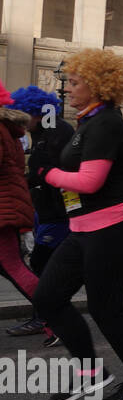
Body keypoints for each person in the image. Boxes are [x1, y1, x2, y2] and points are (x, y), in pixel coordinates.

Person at [34, 49, 123, 400]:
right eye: (69, 82)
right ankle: (92, 375)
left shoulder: (107, 123)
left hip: (118, 224)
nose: (68, 88)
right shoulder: (87, 123)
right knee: (48, 297)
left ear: (99, 85)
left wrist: (47, 174)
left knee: (105, 307)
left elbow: (90, 182)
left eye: (75, 82)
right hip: (85, 227)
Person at [5, 87, 73, 343]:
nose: (21, 120)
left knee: (41, 264)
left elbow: (49, 168)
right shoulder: (40, 132)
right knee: (49, 264)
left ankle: (46, 317)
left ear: (36, 111)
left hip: (59, 211)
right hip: (46, 210)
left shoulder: (56, 131)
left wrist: (25, 180)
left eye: (24, 114)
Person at [0, 81, 40, 321]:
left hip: (3, 209)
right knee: (12, 266)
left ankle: (55, 313)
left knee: (13, 266)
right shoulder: (8, 129)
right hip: (8, 205)